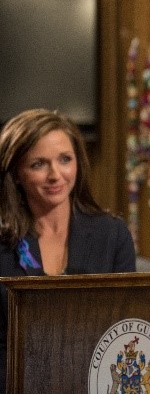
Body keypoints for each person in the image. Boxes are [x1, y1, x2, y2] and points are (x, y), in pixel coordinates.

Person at [0, 108, 136, 392]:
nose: (55, 175)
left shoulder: (111, 234)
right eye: (39, 164)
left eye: (65, 160)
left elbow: (125, 326)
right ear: (16, 174)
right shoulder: (3, 241)